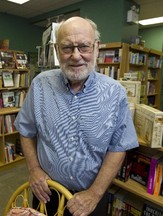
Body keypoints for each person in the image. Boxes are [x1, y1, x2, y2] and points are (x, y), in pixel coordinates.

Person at [14, 16, 139, 216]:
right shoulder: (40, 85)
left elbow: (118, 147)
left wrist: (95, 194)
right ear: (56, 50)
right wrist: (34, 169)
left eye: (84, 46)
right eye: (67, 48)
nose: (76, 55)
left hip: (91, 197)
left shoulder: (115, 93)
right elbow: (26, 131)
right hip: (46, 193)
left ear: (96, 48)